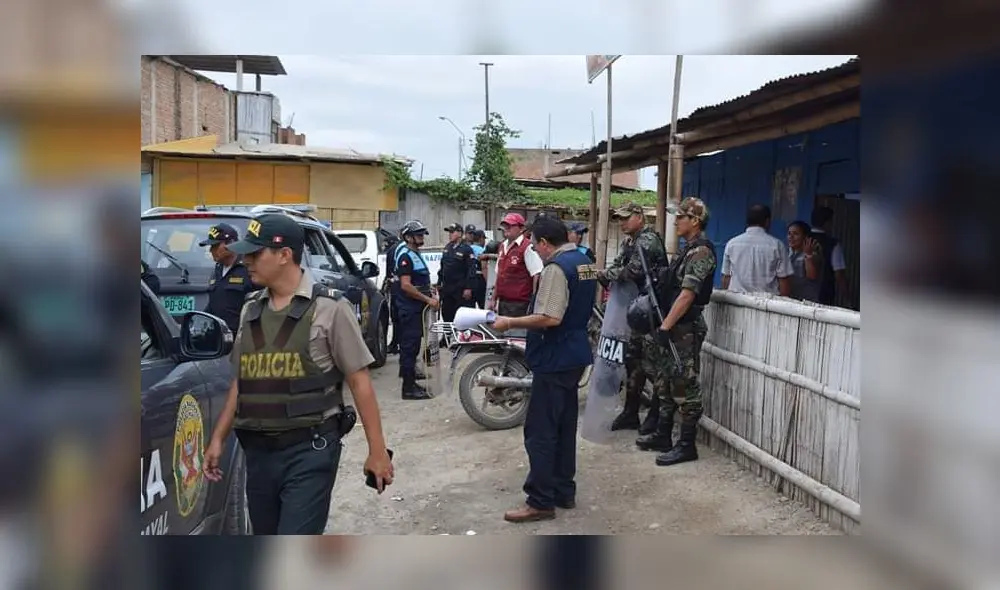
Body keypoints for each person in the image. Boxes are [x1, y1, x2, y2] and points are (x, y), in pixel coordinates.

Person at [202, 213, 394, 534]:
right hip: (258, 453)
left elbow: (360, 382)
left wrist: (377, 452)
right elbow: (242, 381)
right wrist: (218, 439)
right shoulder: (250, 309)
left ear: (284, 255)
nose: (246, 261)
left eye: (254, 254)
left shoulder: (330, 309)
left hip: (310, 450)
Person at [492, 215, 597, 523]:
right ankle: (564, 490)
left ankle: (540, 500)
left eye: (536, 246)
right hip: (575, 353)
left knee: (540, 431)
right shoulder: (585, 260)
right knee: (564, 428)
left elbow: (550, 317)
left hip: (555, 357)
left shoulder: (556, 268)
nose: (536, 252)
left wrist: (509, 321)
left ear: (544, 242)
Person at [637, 197, 717, 467]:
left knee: (685, 385)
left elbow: (687, 295)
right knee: (666, 382)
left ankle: (686, 445)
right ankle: (663, 434)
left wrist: (666, 325)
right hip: (673, 327)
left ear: (695, 220)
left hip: (684, 329)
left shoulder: (702, 252)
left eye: (680, 217)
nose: (675, 220)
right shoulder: (687, 250)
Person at [596, 202, 667, 435]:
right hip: (635, 312)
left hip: (652, 312)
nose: (623, 222)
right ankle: (631, 412)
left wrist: (606, 274)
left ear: (639, 217)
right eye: (620, 218)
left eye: (627, 218)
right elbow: (617, 268)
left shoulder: (647, 240)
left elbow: (631, 271)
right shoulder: (629, 241)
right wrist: (607, 274)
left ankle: (655, 416)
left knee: (653, 365)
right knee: (633, 362)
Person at [391, 220, 438, 400]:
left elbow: (418, 281)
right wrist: (427, 299)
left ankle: (410, 381)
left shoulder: (414, 253)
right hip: (410, 309)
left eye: (422, 234)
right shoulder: (406, 256)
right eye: (418, 234)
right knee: (409, 347)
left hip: (417, 309)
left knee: (413, 346)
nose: (421, 237)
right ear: (408, 237)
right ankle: (408, 388)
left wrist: (429, 290)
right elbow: (406, 286)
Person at [720, 204, 793, 296]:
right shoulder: (777, 246)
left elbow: (726, 278)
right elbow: (784, 282)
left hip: (736, 300)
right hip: (768, 304)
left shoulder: (732, 244)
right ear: (767, 222)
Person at [198, 222, 255, 333]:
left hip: (243, 336)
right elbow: (213, 304)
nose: (211, 250)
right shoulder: (218, 269)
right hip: (220, 339)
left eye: (215, 246)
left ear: (230, 244)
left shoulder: (248, 268)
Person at [488, 213, 544, 318]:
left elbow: (537, 275)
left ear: (521, 228)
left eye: (510, 226)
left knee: (517, 333)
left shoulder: (527, 247)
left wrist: (534, 303)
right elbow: (499, 275)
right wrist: (493, 299)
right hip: (503, 302)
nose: (506, 229)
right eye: (504, 226)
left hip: (521, 304)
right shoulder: (502, 246)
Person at [809, 206, 850, 306]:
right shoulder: (833, 245)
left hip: (800, 295)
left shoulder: (800, 239)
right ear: (827, 223)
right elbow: (839, 275)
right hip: (823, 297)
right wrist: (848, 300)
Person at [436, 222, 477, 323]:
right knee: (446, 313)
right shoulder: (448, 247)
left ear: (459, 233)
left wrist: (468, 287)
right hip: (447, 289)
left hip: (460, 289)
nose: (449, 235)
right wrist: (439, 282)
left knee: (460, 315)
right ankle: (447, 337)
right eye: (449, 232)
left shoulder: (466, 249)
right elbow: (443, 267)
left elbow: (471, 269)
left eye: (452, 232)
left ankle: (460, 336)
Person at [786, 221, 822, 302]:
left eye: (795, 234)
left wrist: (808, 255)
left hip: (807, 302)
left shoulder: (814, 255)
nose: (791, 237)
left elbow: (811, 276)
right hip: (791, 300)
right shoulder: (787, 253)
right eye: (789, 233)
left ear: (805, 237)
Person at [383, 230, 406, 355]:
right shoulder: (403, 248)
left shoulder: (394, 250)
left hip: (397, 289)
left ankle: (395, 344)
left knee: (397, 317)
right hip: (401, 288)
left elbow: (389, 272)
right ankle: (397, 343)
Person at [466, 226, 488, 309]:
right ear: (481, 239)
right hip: (480, 279)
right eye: (484, 239)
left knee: (471, 307)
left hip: (470, 281)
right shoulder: (482, 251)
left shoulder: (467, 249)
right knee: (483, 306)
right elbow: (484, 267)